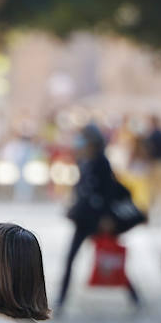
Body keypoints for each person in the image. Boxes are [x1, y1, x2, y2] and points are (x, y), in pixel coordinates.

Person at [58, 124, 140, 308]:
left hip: (98, 220)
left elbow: (108, 192)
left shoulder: (101, 162)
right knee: (71, 258)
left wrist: (106, 218)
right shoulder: (83, 160)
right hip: (83, 218)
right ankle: (61, 298)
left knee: (109, 252)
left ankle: (134, 295)